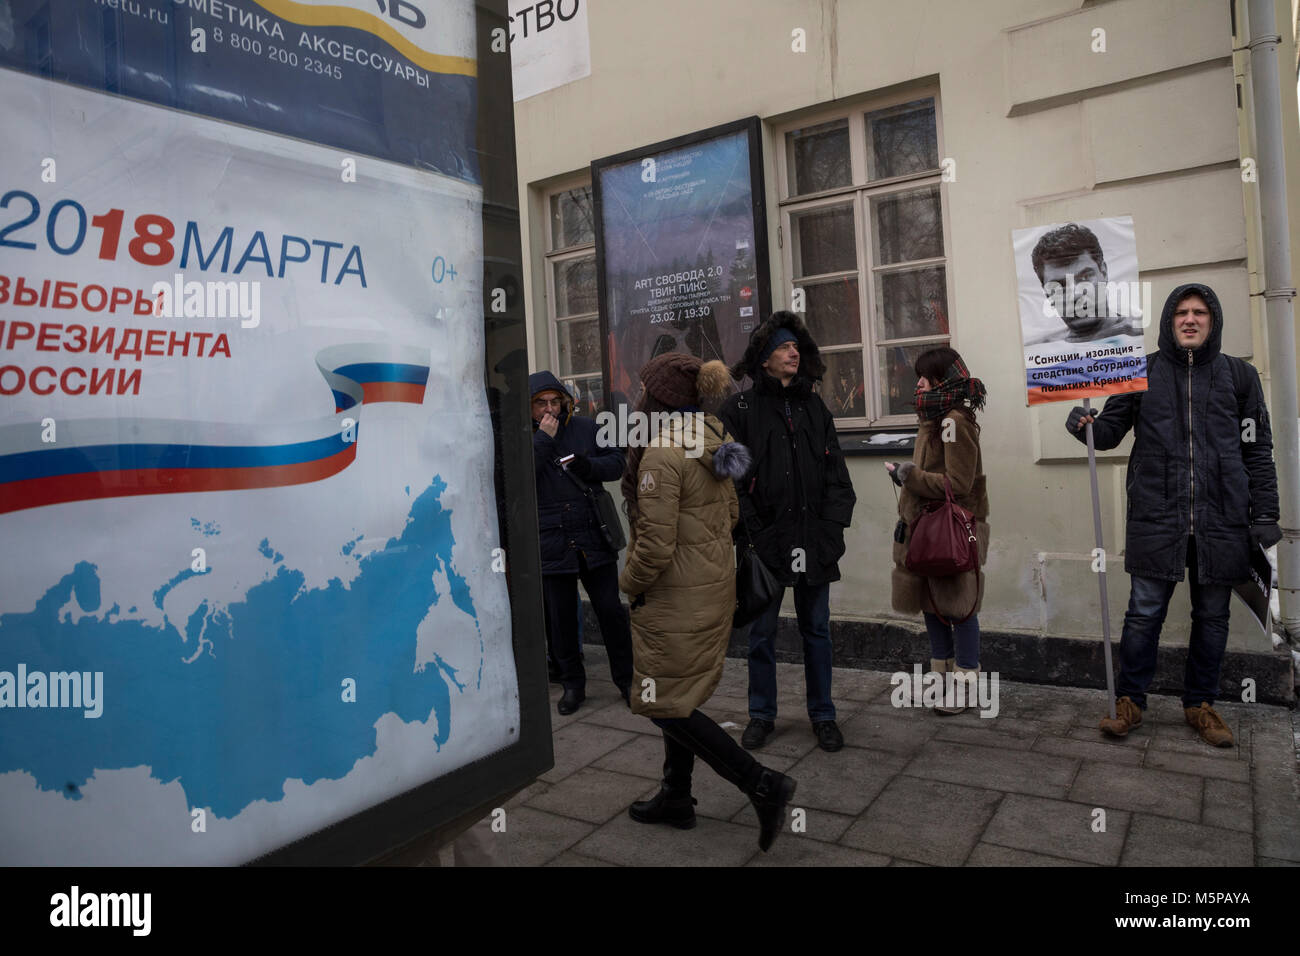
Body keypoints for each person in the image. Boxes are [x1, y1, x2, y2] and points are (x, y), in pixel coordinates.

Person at [1065, 284, 1280, 746]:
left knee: (1213, 616)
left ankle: (1200, 705)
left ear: (1213, 321)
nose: (1190, 319)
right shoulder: (1139, 372)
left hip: (1221, 519)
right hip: (1156, 515)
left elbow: (1257, 450)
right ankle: (1130, 703)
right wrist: (1083, 424)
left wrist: (1265, 513)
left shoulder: (1240, 377)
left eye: (1199, 312)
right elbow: (1106, 435)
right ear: (1168, 320)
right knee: (1143, 614)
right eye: (1181, 312)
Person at [619, 352, 797, 853]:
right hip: (709, 591)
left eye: (643, 393)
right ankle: (676, 795)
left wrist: (628, 582)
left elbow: (653, 546)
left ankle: (762, 783)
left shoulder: (661, 454)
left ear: (659, 400)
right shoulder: (711, 440)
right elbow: (732, 514)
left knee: (658, 701)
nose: (636, 401)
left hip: (674, 599)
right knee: (680, 695)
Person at [719, 311, 857, 753]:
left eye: (796, 347)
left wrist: (833, 528)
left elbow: (837, 474)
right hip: (764, 543)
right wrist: (751, 533)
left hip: (814, 540)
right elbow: (730, 480)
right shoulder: (737, 410)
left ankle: (824, 715)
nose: (793, 353)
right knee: (761, 634)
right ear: (763, 358)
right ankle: (761, 714)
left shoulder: (815, 407)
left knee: (817, 630)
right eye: (783, 347)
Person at [885, 348, 990, 714]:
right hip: (925, 527)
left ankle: (965, 686)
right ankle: (941, 680)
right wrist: (905, 474)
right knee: (931, 605)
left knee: (959, 608)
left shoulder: (954, 421)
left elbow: (958, 483)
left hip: (950, 529)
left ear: (942, 381)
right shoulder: (933, 419)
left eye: (925, 377)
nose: (918, 383)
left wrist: (908, 475)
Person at [530, 371, 634, 715]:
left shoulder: (586, 428)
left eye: (555, 401)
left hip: (592, 534)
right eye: (541, 403)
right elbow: (518, 476)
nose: (549, 408)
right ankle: (573, 685)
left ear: (565, 401)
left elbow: (617, 463)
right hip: (550, 539)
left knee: (610, 611)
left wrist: (588, 465)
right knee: (560, 619)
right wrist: (543, 439)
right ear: (529, 406)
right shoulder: (523, 437)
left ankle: (627, 680)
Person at [1028, 223, 1142, 343]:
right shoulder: (1039, 350)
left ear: (1103, 272)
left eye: (1085, 277)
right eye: (1060, 286)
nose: (1076, 294)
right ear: (1047, 293)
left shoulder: (1142, 335)